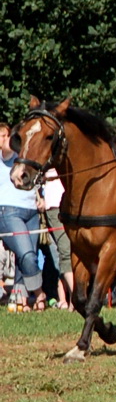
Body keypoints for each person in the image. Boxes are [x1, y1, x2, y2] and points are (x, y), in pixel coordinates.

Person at [0, 122, 46, 309]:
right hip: (9, 210)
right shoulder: (4, 155)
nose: (2, 139)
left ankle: (22, 300)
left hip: (31, 209)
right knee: (27, 254)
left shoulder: (23, 156)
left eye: (4, 135)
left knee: (27, 256)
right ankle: (40, 293)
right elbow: (7, 150)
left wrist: (40, 196)